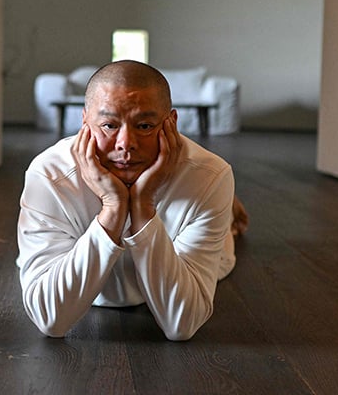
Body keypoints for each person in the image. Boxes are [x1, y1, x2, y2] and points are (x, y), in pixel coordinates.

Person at [16, 60, 248, 341]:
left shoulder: (211, 176)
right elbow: (50, 319)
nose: (126, 143)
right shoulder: (48, 176)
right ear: (85, 122)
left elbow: (182, 324)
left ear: (171, 123)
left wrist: (143, 204)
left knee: (225, 235)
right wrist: (113, 208)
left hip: (198, 213)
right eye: (110, 125)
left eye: (145, 125)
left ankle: (228, 217)